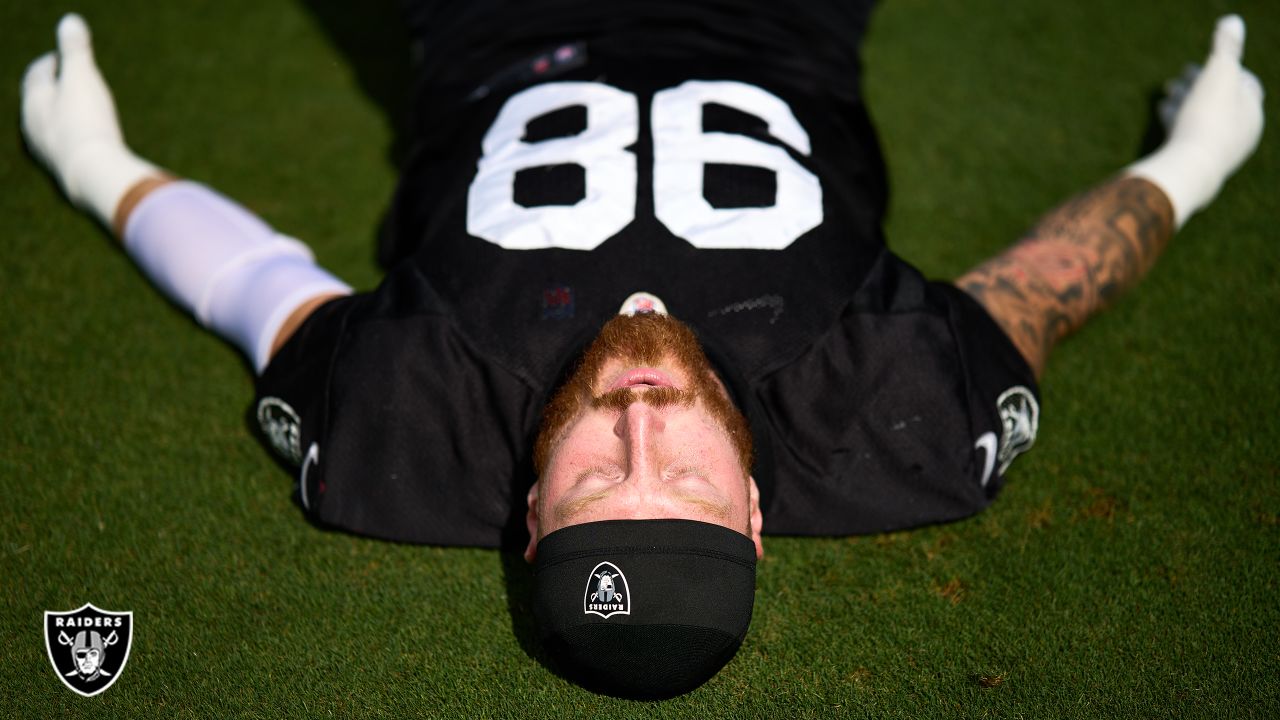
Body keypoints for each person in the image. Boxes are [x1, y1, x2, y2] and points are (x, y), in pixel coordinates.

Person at [21, 1, 1263, 699]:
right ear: (759, 514)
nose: (638, 424)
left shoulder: (407, 422)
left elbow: (254, 286)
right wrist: (1196, 158)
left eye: (595, 488)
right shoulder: (896, 412)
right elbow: (1044, 287)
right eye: (685, 487)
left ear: (525, 515)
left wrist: (95, 163)